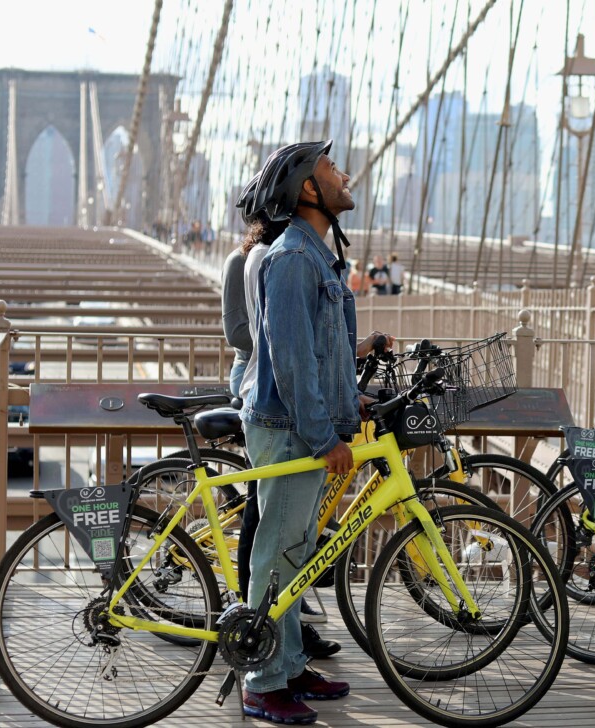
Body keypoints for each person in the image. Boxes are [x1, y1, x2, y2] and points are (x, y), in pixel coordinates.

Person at [235, 139, 390, 724]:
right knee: (277, 557)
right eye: (331, 168)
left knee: (296, 554)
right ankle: (263, 681)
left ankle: (290, 662)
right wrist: (326, 437)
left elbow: (319, 355)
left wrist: (353, 398)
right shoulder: (294, 260)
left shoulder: (315, 257)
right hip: (286, 426)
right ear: (307, 189)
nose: (345, 174)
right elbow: (292, 361)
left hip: (298, 423)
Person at [222, 245, 343, 663]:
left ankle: (287, 646)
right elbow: (247, 335)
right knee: (267, 529)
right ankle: (261, 642)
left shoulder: (299, 254)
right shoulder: (264, 258)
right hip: (262, 387)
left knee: (288, 543)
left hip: (285, 396)